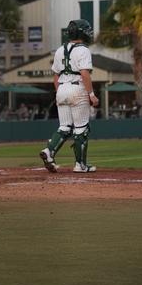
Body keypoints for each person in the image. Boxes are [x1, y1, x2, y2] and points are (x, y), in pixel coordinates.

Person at [38, 19, 100, 174]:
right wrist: (91, 94)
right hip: (77, 88)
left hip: (62, 89)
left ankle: (49, 151)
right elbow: (85, 74)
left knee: (65, 127)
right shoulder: (84, 50)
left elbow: (55, 76)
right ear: (81, 32)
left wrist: (60, 92)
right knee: (81, 129)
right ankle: (80, 165)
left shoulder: (59, 50)